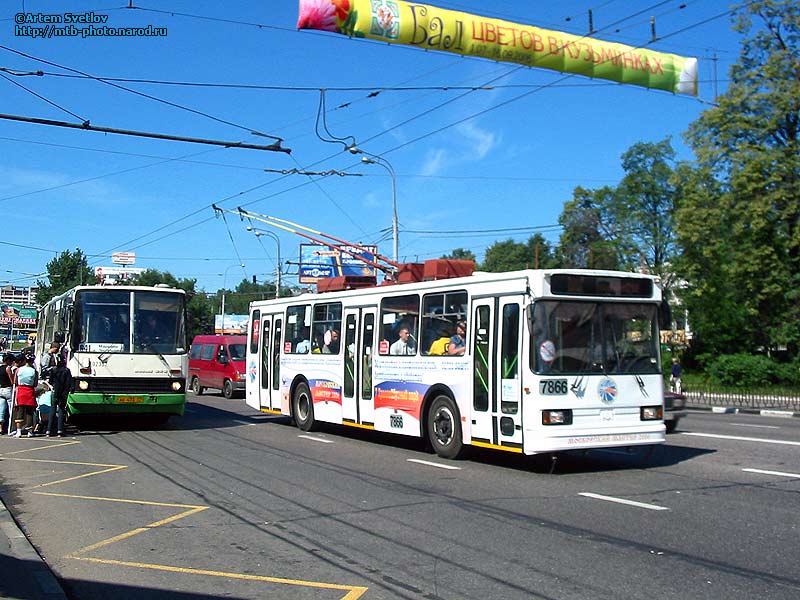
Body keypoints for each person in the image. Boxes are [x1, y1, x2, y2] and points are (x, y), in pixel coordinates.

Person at [11, 353, 38, 437]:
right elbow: (35, 383)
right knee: (29, 412)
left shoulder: (18, 370)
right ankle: (30, 432)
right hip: (29, 391)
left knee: (19, 411)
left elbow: (15, 381)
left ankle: (18, 431)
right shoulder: (34, 371)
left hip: (21, 391)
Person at [48, 357, 73, 438]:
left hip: (55, 391)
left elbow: (50, 381)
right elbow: (69, 382)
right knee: (61, 410)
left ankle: (49, 430)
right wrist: (70, 390)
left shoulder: (53, 370)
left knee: (52, 409)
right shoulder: (66, 371)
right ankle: (60, 430)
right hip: (63, 393)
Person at [0, 353, 14, 435]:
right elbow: (12, 380)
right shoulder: (8, 368)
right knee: (10, 409)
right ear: (8, 361)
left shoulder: (0, 367)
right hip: (8, 389)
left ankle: (0, 428)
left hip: (1, 389)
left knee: (1, 410)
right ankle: (10, 428)